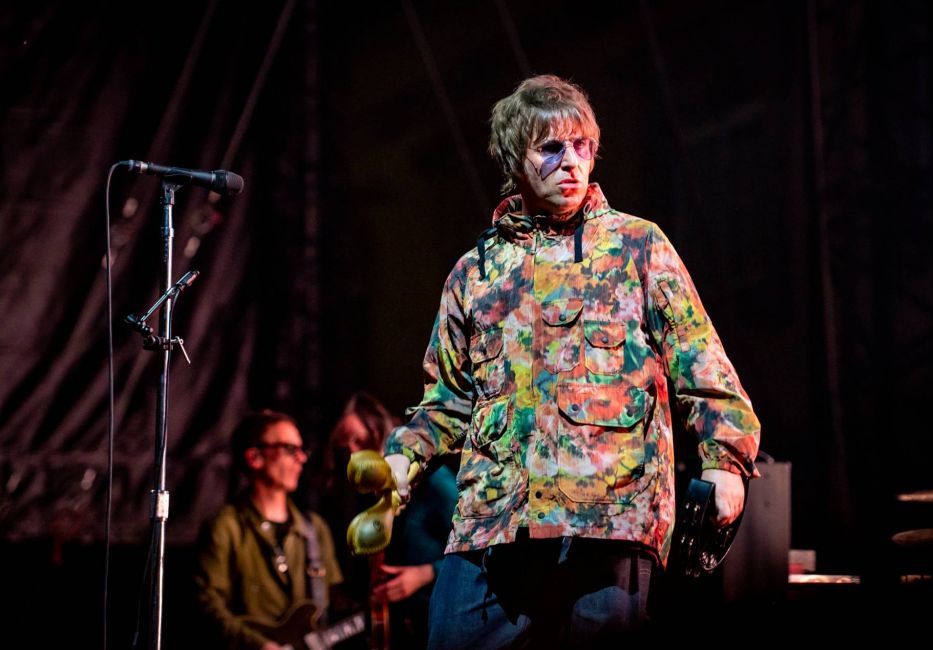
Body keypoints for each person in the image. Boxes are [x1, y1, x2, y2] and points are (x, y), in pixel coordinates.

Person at [381, 74, 761, 648]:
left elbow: (701, 360)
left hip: (608, 518)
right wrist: (404, 460)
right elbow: (449, 399)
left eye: (581, 146)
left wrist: (726, 462)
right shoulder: (473, 273)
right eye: (551, 148)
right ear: (515, 157)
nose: (571, 161)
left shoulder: (637, 245)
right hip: (494, 523)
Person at [195, 410, 345, 650]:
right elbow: (206, 604)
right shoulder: (225, 526)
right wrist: (259, 645)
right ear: (255, 457)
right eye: (289, 449)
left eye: (301, 449)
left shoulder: (315, 529)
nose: (301, 458)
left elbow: (335, 602)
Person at [318, 392, 457, 649]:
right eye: (344, 450)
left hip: (438, 626)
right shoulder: (365, 499)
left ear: (382, 429)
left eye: (360, 441)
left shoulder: (434, 482)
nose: (353, 455)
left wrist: (425, 574)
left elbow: (477, 548)